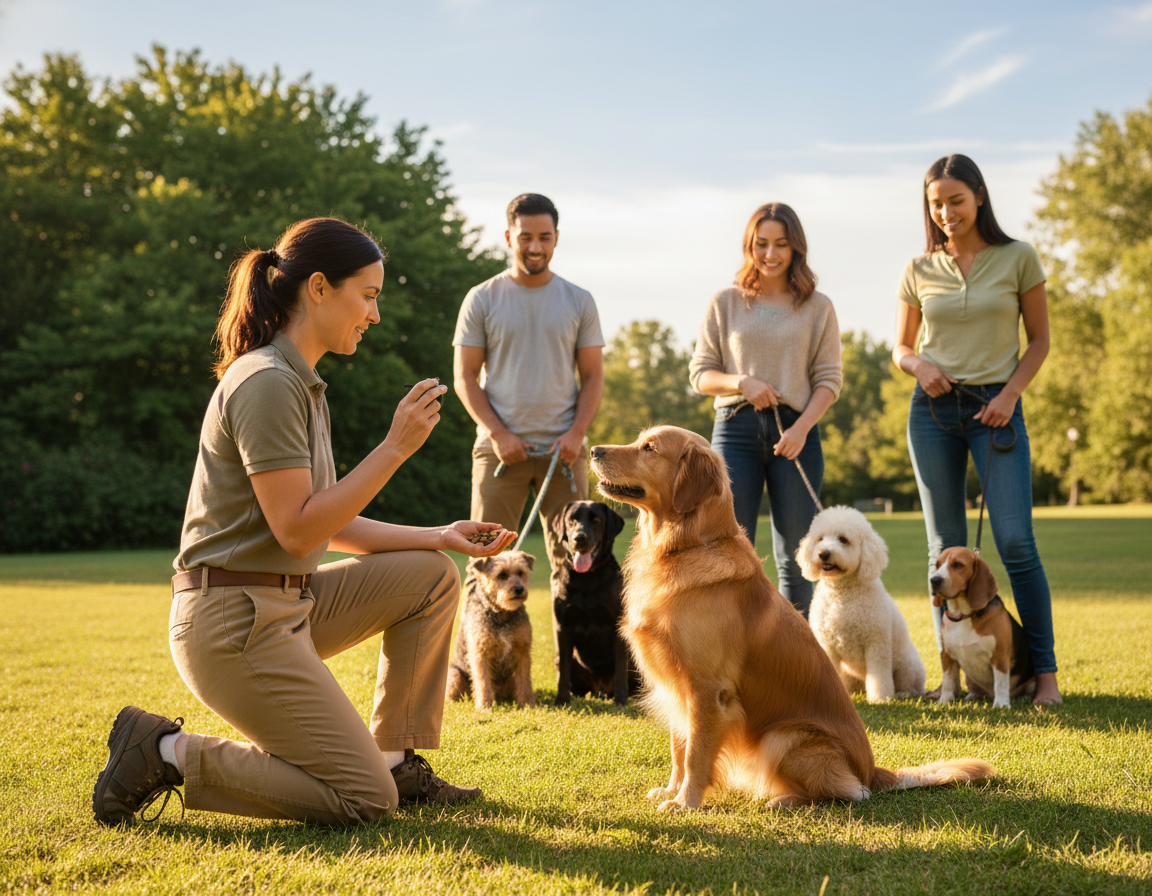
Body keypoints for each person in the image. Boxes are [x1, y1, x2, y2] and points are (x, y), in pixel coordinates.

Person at [93, 217, 518, 828]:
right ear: (319, 288)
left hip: (285, 607)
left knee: (432, 575)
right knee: (365, 801)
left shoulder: (300, 383)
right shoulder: (267, 382)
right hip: (233, 625)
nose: (374, 315)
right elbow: (296, 530)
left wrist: (438, 537)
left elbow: (325, 522)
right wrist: (394, 448)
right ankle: (162, 750)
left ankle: (396, 759)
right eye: (367, 296)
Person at [893, 154, 1062, 706]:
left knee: (1016, 543)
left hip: (998, 408)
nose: (945, 212)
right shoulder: (919, 269)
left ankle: (1045, 678)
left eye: (955, 200)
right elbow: (901, 348)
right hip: (933, 410)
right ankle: (956, 678)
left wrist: (1010, 395)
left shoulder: (1018, 258)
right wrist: (921, 367)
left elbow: (1038, 340)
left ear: (980, 197)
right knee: (942, 550)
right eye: (936, 203)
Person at [689, 203, 842, 617]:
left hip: (796, 433)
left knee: (797, 555)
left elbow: (829, 379)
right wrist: (742, 382)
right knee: (726, 550)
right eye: (761, 244)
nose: (771, 254)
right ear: (749, 246)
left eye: (781, 244)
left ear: (796, 249)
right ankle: (730, 654)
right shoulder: (726, 302)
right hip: (734, 431)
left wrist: (802, 429)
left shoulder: (818, 306)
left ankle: (796, 662)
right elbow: (700, 375)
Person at [453, 193, 604, 578]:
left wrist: (577, 434)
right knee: (485, 565)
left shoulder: (579, 300)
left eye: (544, 237)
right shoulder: (481, 298)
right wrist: (498, 434)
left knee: (575, 572)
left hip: (565, 455)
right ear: (508, 237)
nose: (535, 247)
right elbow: (464, 377)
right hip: (500, 453)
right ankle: (474, 642)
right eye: (525, 237)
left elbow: (593, 376)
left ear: (556, 238)